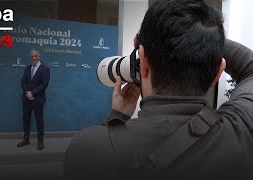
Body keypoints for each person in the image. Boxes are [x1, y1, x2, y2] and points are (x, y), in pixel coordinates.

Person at [64, 0, 253, 179]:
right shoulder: (241, 132)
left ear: (143, 62)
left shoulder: (88, 150)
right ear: (218, 72)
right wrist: (203, 39)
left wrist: (117, 118)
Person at [17, 49, 50, 150]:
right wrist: (27, 93)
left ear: (39, 56)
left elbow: (44, 84)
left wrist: (33, 93)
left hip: (38, 99)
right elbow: (23, 82)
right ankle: (26, 139)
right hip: (26, 99)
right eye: (32, 56)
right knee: (26, 119)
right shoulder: (27, 68)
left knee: (39, 120)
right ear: (30, 57)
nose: (34, 58)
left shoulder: (45, 69)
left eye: (35, 56)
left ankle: (40, 142)